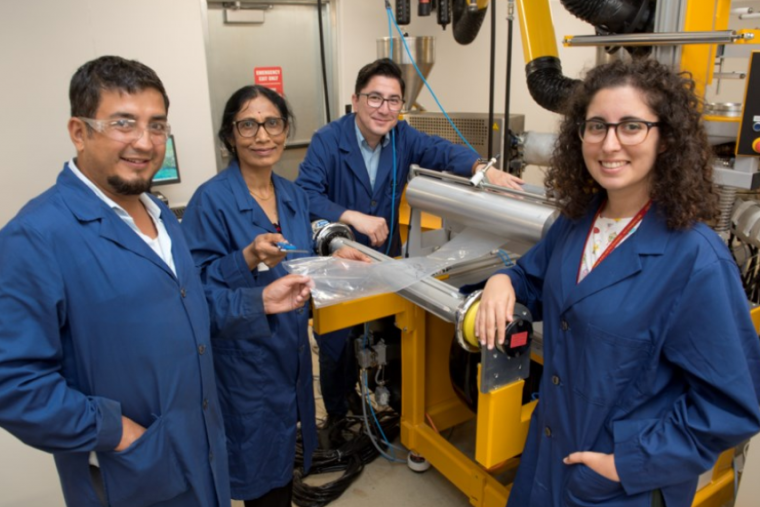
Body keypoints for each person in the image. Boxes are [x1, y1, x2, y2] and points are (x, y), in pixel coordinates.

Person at [0, 56, 312, 507]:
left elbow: (192, 306)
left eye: (157, 126)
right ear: (79, 131)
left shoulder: (160, 215)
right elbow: (13, 383)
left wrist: (258, 302)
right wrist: (115, 432)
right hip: (132, 470)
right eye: (123, 124)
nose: (144, 142)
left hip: (199, 450)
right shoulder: (36, 235)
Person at [475, 58, 760, 507]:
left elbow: (732, 405)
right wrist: (501, 280)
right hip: (547, 458)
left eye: (631, 126)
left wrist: (627, 463)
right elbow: (531, 277)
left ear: (664, 139)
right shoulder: (575, 223)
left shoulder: (696, 261)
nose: (610, 144)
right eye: (596, 127)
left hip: (618, 483)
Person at [295, 58, 526, 425]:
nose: (383, 109)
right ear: (355, 99)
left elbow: (443, 151)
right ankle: (340, 417)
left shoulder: (403, 137)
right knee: (337, 344)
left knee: (378, 335)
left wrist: (483, 169)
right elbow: (304, 194)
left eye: (393, 100)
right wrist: (351, 217)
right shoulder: (328, 140)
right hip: (339, 259)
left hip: (385, 259)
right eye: (374, 98)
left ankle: (378, 399)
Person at [181, 84, 369, 507]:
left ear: (285, 131)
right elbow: (195, 290)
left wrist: (335, 250)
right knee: (259, 476)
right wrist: (246, 257)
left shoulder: (291, 194)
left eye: (272, 123)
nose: (262, 136)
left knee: (283, 464)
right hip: (245, 363)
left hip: (293, 354)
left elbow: (301, 248)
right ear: (230, 135)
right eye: (248, 124)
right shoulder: (210, 201)